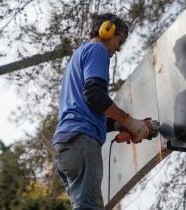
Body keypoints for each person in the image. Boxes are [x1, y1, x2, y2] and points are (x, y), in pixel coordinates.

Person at [53, 13, 150, 210]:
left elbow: (87, 108)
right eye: (119, 41)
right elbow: (94, 95)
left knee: (84, 206)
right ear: (107, 30)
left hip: (65, 146)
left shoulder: (78, 56)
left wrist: (117, 124)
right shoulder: (97, 50)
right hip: (81, 142)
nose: (118, 49)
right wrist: (131, 122)